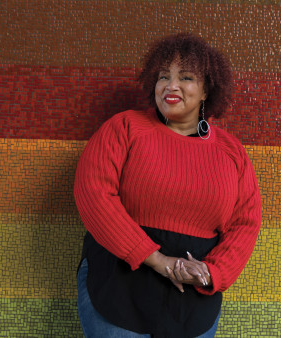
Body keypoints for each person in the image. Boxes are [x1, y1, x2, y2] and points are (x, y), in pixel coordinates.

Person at [73, 32, 262, 337]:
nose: (170, 86)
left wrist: (212, 274)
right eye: (164, 76)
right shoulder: (124, 128)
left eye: (185, 77)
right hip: (119, 282)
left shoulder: (232, 152)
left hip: (192, 300)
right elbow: (94, 196)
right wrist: (158, 260)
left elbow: (245, 224)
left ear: (206, 90)